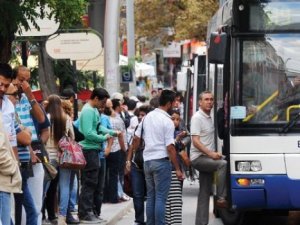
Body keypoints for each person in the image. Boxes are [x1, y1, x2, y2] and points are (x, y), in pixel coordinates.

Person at [134, 89, 184, 225]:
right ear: (169, 103)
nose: (175, 105)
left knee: (151, 196)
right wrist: (178, 169)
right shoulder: (167, 121)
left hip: (147, 162)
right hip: (161, 162)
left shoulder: (147, 117)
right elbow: (170, 147)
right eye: (174, 102)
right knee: (161, 197)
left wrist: (131, 157)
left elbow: (136, 138)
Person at [12, 65, 46, 225]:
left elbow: (41, 119)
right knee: (21, 206)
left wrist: (30, 94)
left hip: (32, 153)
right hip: (19, 155)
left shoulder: (26, 98)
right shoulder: (9, 100)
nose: (24, 84)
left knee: (35, 202)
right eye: (21, 80)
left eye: (27, 81)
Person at [190, 91, 227, 225]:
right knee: (223, 164)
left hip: (207, 157)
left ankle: (201, 223)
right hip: (199, 158)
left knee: (204, 193)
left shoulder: (209, 117)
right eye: (206, 99)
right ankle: (222, 198)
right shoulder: (197, 118)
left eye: (211, 99)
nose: (210, 102)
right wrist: (211, 154)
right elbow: (196, 141)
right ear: (200, 102)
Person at [6, 83, 38, 225]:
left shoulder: (12, 113)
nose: (17, 99)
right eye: (14, 95)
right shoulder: (7, 113)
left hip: (19, 165)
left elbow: (27, 137)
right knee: (19, 210)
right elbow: (25, 137)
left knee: (17, 209)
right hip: (12, 167)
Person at [78, 88, 111, 223]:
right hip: (88, 150)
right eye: (102, 102)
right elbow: (88, 133)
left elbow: (98, 128)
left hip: (93, 150)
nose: (103, 105)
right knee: (89, 182)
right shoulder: (88, 111)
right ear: (96, 98)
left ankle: (90, 211)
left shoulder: (93, 111)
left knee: (93, 183)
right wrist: (104, 138)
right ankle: (85, 213)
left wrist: (112, 132)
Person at [0, 63, 22, 225]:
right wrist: (11, 167)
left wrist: (16, 165)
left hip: (7, 173)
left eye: (6, 85)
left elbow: (12, 140)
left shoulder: (8, 105)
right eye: (0, 83)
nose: (2, 88)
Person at [126, 105, 151, 225]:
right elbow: (132, 145)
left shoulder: (153, 128)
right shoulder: (137, 128)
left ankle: (151, 219)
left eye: (143, 115)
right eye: (139, 115)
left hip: (149, 164)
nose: (140, 117)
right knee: (137, 194)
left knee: (151, 193)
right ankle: (139, 220)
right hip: (137, 164)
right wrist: (128, 161)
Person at [165, 109, 188, 225]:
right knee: (170, 200)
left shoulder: (178, 132)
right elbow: (169, 149)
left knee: (176, 199)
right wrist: (177, 140)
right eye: (173, 119)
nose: (175, 122)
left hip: (176, 169)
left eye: (178, 119)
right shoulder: (167, 133)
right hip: (170, 169)